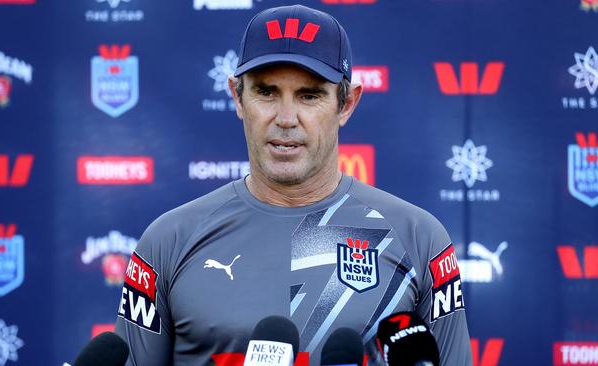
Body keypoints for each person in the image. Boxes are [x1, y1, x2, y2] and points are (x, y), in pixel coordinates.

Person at [115, 4, 472, 365]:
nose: (286, 119)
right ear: (238, 98)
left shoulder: (419, 238)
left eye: (309, 95)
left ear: (347, 104)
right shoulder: (168, 242)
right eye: (267, 92)